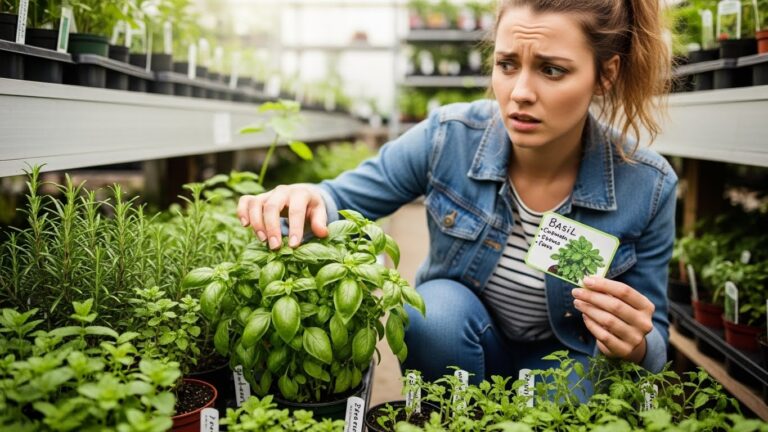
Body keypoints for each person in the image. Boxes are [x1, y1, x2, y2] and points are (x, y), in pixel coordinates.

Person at [237, 0, 676, 389]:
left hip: (567, 357)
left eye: (551, 69)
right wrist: (304, 196)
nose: (520, 92)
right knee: (433, 315)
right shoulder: (451, 137)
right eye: (507, 64)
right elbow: (340, 198)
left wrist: (634, 343)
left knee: (565, 394)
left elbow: (653, 342)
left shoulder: (648, 185)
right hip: (464, 339)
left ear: (606, 75)